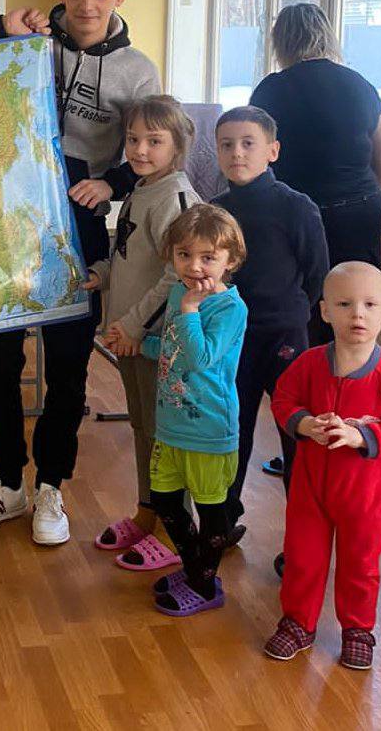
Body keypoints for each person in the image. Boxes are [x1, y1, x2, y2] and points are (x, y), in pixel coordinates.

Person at [0, 0, 161, 545]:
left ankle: (50, 488)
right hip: (3, 215)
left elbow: (155, 146)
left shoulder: (138, 70)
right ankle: (6, 482)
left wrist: (112, 182)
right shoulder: (30, 38)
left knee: (68, 366)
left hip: (78, 221)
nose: (87, 6)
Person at [264, 262, 381, 670]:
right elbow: (283, 399)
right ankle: (298, 623)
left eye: (370, 305)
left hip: (366, 499)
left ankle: (357, 630)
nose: (358, 314)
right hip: (310, 491)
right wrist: (303, 424)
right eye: (344, 304)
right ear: (324, 311)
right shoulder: (309, 363)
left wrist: (361, 437)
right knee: (302, 558)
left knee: (360, 565)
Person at [86, 95, 201, 571]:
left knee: (166, 436)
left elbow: (180, 275)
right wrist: (102, 274)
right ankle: (148, 512)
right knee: (143, 429)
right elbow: (134, 254)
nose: (139, 149)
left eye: (154, 141)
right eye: (133, 139)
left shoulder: (176, 198)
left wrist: (135, 325)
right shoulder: (142, 188)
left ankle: (176, 531)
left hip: (158, 342)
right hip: (131, 338)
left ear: (178, 145)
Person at [210, 107, 328, 564]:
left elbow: (316, 274)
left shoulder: (296, 207)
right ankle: (222, 523)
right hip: (232, 339)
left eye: (248, 143)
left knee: (296, 436)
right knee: (231, 430)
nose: (236, 153)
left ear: (272, 151)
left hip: (285, 337)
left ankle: (302, 541)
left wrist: (290, 315)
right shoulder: (215, 211)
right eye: (226, 145)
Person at [250, 3, 381, 343]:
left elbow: (255, 151)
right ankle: (355, 368)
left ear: (281, 41)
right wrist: (366, 193)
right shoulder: (358, 84)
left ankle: (308, 368)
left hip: (296, 211)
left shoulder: (271, 89)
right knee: (358, 299)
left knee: (304, 301)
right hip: (358, 211)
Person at [140, 204, 247, 616]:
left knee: (211, 509)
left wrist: (189, 309)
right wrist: (145, 345)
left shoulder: (229, 309)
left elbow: (201, 358)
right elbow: (176, 347)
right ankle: (195, 567)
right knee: (166, 502)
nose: (194, 266)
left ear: (230, 261)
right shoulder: (178, 293)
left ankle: (205, 586)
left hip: (208, 430)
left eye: (208, 257)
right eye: (184, 254)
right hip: (171, 425)